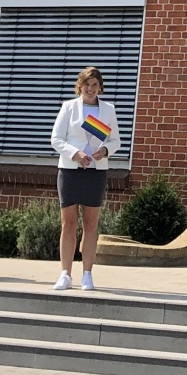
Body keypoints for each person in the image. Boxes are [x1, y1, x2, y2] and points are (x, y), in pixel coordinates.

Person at [48, 66, 115, 290]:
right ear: (80, 86)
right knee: (68, 223)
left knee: (90, 224)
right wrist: (75, 154)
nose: (90, 88)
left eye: (95, 85)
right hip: (70, 170)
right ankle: (65, 274)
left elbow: (115, 140)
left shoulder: (108, 110)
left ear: (100, 88)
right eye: (87, 84)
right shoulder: (68, 107)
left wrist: (105, 150)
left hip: (96, 172)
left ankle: (87, 274)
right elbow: (56, 139)